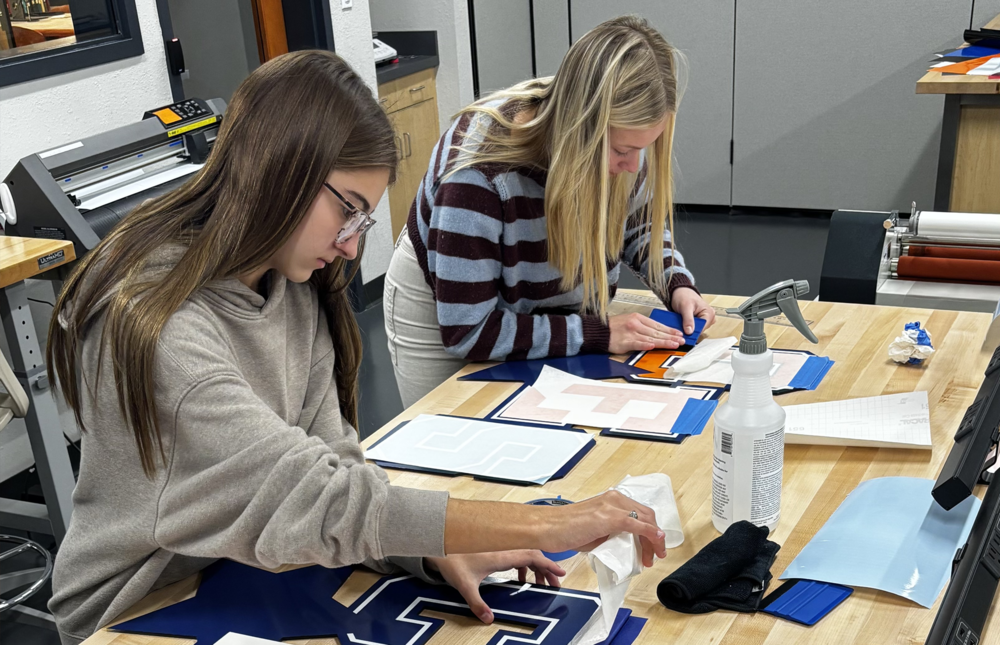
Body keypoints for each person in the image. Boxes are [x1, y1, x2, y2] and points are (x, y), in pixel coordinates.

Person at [44, 51, 666, 645]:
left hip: (255, 569)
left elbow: (335, 466)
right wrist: (552, 521)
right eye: (349, 211)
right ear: (277, 168)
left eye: (361, 223)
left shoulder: (292, 286)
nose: (349, 246)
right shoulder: (165, 327)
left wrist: (427, 548)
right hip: (137, 609)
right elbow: (313, 498)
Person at [383, 16, 717, 408]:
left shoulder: (621, 139)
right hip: (451, 305)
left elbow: (637, 225)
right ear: (579, 129)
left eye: (643, 148)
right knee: (449, 439)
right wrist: (598, 333)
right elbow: (469, 332)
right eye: (623, 151)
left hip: (529, 296)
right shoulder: (478, 174)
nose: (633, 164)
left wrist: (675, 282)